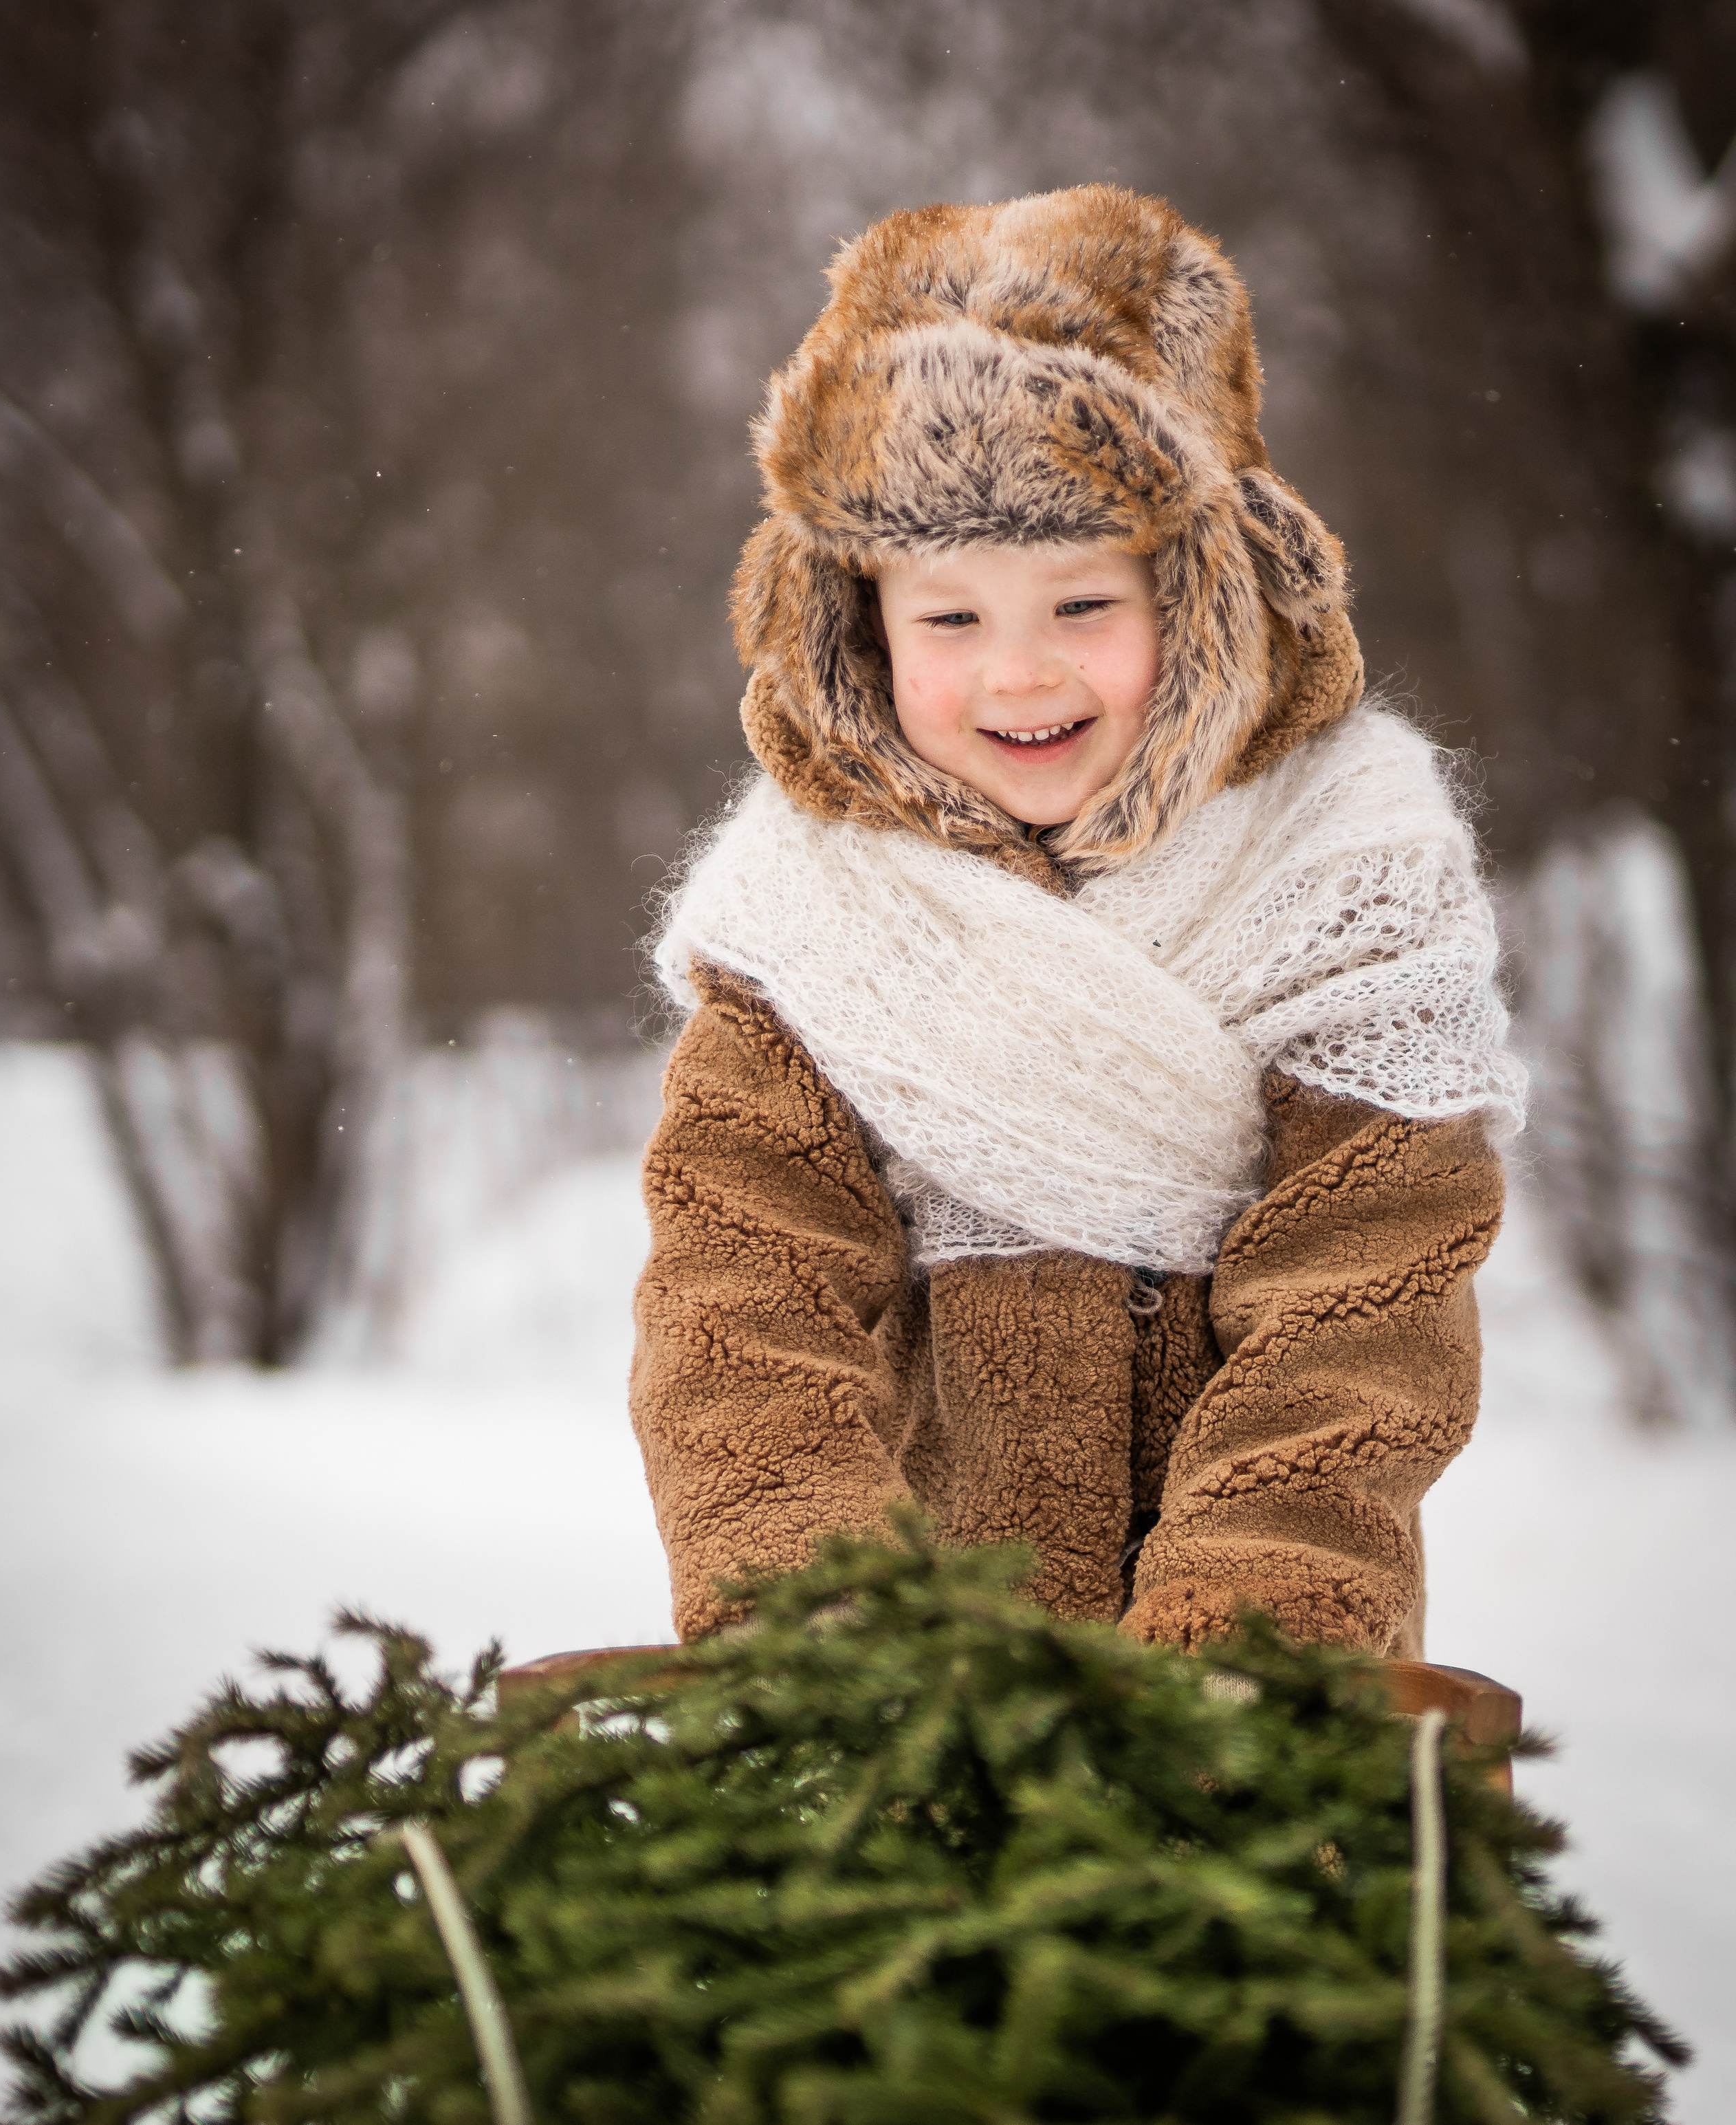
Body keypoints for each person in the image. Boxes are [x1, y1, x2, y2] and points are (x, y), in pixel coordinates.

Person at [631, 185, 1526, 1655]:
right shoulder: (809, 926)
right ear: (859, 628)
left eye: (1083, 606)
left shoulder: (1346, 881)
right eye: (951, 618)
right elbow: (744, 1307)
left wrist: (1247, 1646)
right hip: (921, 1705)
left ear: (1203, 595)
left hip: (1268, 1707)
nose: (1020, 676)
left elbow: (1363, 1304)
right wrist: (830, 1638)